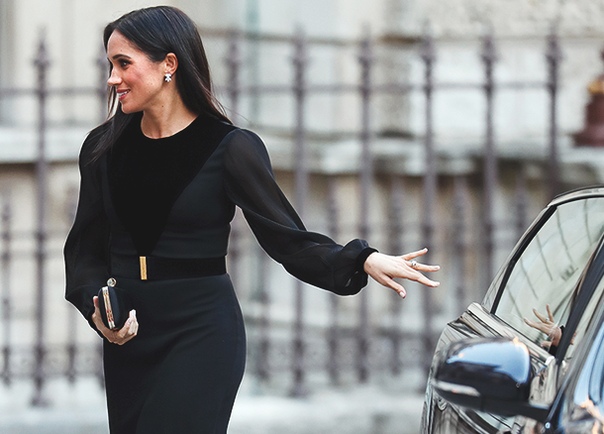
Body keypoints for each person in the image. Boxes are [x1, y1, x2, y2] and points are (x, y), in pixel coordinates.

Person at [63, 6, 440, 434]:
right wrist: (97, 308)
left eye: (123, 63)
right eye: (110, 65)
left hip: (200, 333)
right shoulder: (103, 148)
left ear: (169, 64)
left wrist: (362, 258)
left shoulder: (230, 147)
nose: (112, 78)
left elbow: (287, 239)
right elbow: (84, 250)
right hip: (130, 337)